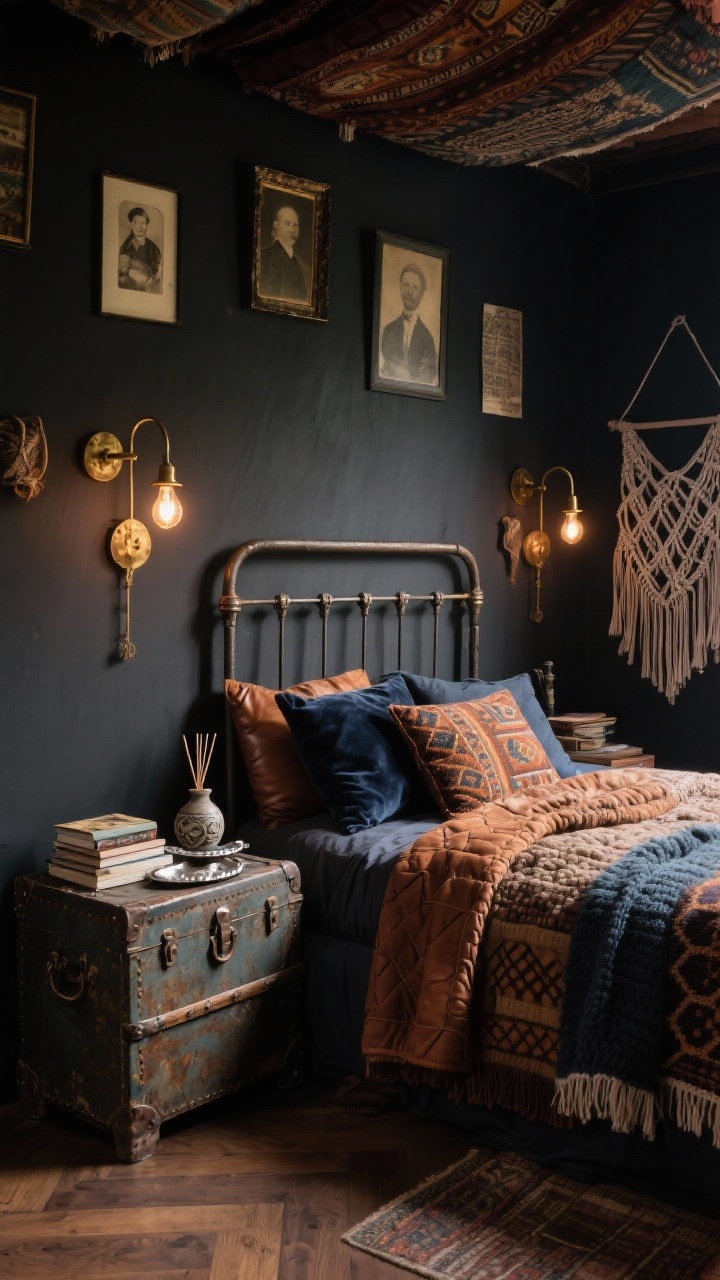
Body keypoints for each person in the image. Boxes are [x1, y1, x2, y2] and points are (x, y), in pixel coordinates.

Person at [381, 262, 437, 384]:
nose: (410, 293)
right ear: (400, 287)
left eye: (415, 288)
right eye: (406, 285)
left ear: (422, 293)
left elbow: (426, 380)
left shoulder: (427, 338)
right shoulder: (388, 330)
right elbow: (385, 372)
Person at [258, 204, 308, 302]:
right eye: (287, 223)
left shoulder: (296, 262)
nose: (292, 230)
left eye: (295, 225)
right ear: (276, 225)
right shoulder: (266, 256)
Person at [118, 206, 162, 292]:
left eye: (143, 223)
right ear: (131, 224)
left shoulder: (153, 248)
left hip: (147, 291)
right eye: (135, 222)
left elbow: (158, 273)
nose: (139, 226)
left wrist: (152, 279)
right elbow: (120, 271)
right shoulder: (125, 247)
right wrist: (130, 273)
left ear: (146, 225)